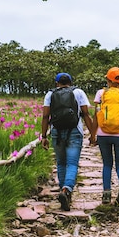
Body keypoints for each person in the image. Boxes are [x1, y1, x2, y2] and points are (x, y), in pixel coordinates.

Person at [41, 73, 95, 211]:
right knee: (72, 163)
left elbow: (46, 116)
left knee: (61, 163)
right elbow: (86, 114)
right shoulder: (78, 92)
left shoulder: (50, 94)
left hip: (56, 132)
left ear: (56, 83)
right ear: (71, 82)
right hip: (75, 131)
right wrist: (93, 134)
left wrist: (44, 137)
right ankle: (66, 190)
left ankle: (63, 191)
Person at [91, 67, 119, 206]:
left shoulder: (101, 93)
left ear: (108, 80)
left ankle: (106, 194)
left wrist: (93, 135)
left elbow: (96, 116)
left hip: (103, 134)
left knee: (107, 164)